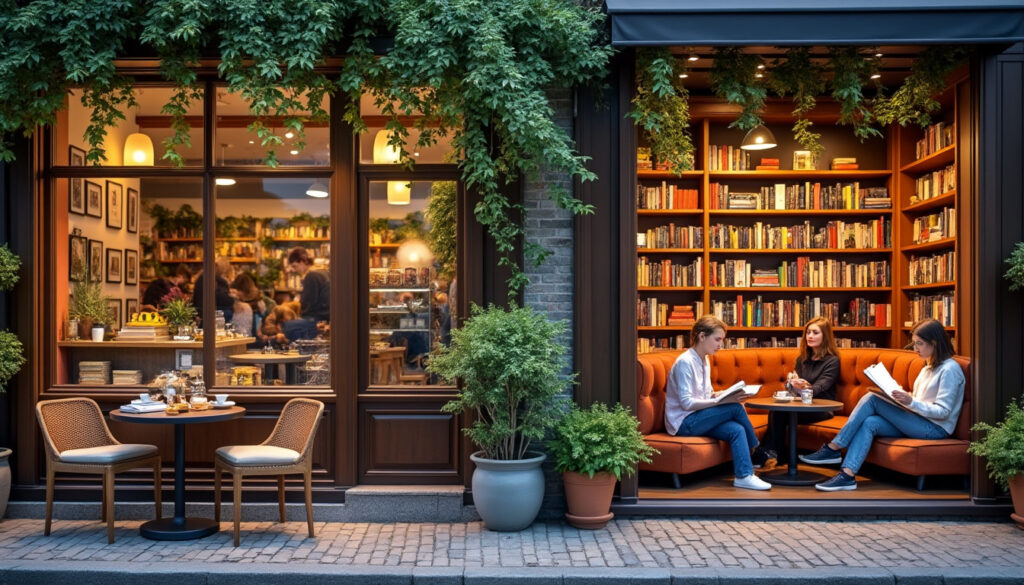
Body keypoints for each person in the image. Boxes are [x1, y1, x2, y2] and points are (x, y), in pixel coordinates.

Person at [800, 318, 965, 492]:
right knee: (870, 422)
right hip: (918, 420)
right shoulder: (928, 367)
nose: (915, 349)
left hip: (935, 429)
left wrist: (911, 402)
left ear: (934, 343)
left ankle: (834, 447)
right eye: (915, 343)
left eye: (919, 344)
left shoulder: (949, 370)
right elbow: (921, 399)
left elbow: (943, 412)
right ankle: (847, 475)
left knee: (872, 399)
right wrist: (901, 396)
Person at [666, 315, 771, 491]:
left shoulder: (704, 359)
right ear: (701, 336)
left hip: (698, 418)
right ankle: (758, 451)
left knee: (736, 430)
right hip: (684, 423)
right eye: (717, 339)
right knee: (734, 407)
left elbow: (704, 394)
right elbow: (686, 403)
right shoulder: (685, 362)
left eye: (722, 340)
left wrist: (721, 394)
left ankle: (744, 476)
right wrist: (719, 402)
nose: (720, 345)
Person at [752, 317, 841, 471]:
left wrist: (807, 387)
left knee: (780, 412)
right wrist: (791, 383)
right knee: (778, 409)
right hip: (800, 404)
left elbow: (822, 386)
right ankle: (773, 453)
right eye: (808, 332)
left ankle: (771, 453)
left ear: (825, 336)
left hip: (821, 408)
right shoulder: (802, 359)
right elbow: (793, 391)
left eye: (815, 332)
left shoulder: (832, 361)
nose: (810, 336)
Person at [287, 247, 329, 324]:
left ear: (303, 261)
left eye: (294, 266)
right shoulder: (323, 271)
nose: (294, 270)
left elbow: (308, 304)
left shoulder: (311, 275)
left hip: (317, 319)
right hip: (327, 317)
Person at [193, 257, 235, 325]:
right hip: (209, 315)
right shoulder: (210, 279)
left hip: (205, 314)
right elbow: (220, 298)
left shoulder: (205, 277)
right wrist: (233, 298)